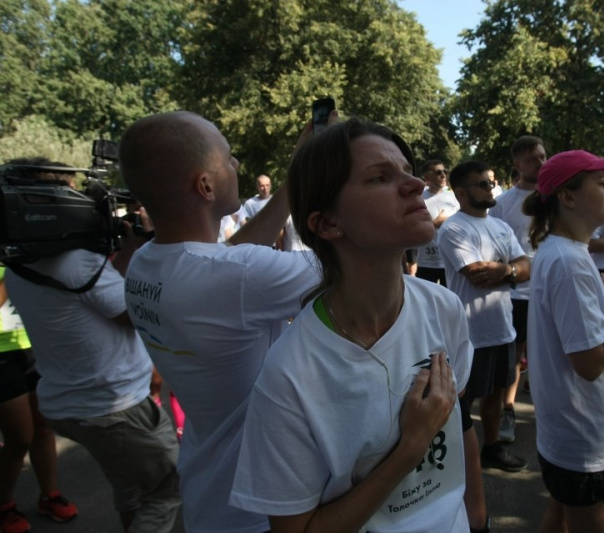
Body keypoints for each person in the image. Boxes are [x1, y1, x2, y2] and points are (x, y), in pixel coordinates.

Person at [229, 118, 472, 533]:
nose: (415, 184)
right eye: (380, 177)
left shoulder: (444, 308)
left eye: (408, 170)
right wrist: (409, 448)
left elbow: (457, 427)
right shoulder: (290, 376)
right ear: (327, 223)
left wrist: (478, 517)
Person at [119, 111, 322, 533]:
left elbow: (226, 259)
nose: (237, 164)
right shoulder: (236, 274)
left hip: (209, 493)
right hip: (263, 507)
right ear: (205, 186)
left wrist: (294, 180)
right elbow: (349, 265)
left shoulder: (146, 262)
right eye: (228, 157)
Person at [4, 160, 181, 533]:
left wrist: (127, 253)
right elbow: (139, 313)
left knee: (130, 489)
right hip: (113, 407)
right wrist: (157, 247)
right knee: (166, 491)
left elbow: (102, 296)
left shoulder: (21, 265)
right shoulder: (78, 262)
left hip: (69, 404)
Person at [524, 150, 604, 533]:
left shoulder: (562, 252)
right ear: (568, 197)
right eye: (601, 184)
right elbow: (590, 363)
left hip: (572, 433)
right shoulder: (569, 262)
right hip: (585, 437)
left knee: (560, 518)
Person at [439, 160, 530, 473]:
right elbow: (477, 274)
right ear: (461, 192)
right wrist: (513, 271)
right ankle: (457, 463)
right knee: (463, 401)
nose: (491, 188)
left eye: (491, 182)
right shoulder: (454, 228)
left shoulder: (501, 226)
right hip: (470, 332)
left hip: (502, 327)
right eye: (482, 184)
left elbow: (527, 267)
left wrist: (504, 270)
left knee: (496, 394)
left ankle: (491, 448)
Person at [1, 266, 78, 533]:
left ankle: (49, 495)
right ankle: (5, 505)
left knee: (44, 427)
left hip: (33, 341)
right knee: (19, 436)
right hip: (2, 351)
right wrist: (11, 270)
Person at [488, 135, 546, 443]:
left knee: (551, 352)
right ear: (517, 164)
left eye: (542, 156)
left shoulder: (557, 197)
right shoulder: (503, 204)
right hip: (518, 293)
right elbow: (493, 248)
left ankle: (551, 410)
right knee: (515, 354)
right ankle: (507, 411)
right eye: (532, 159)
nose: (540, 162)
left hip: (550, 288)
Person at [415, 160, 460, 286]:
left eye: (445, 171)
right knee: (425, 297)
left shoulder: (454, 198)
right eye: (438, 172)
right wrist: (435, 223)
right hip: (427, 261)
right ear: (427, 177)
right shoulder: (418, 198)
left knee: (450, 297)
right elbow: (413, 230)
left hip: (450, 261)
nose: (443, 175)